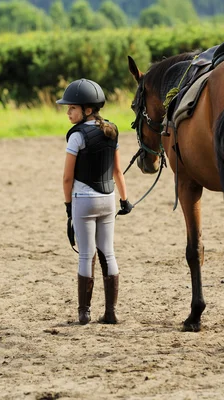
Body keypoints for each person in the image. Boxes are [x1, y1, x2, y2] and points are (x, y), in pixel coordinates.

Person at [58, 78, 133, 325]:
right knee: (108, 253)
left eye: (72, 108)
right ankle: (111, 312)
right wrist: (125, 200)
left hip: (84, 200)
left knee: (86, 255)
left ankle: (84, 312)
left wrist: (68, 205)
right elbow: (118, 171)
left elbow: (67, 177)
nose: (68, 112)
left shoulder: (76, 136)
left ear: (87, 110)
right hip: (108, 199)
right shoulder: (111, 130)